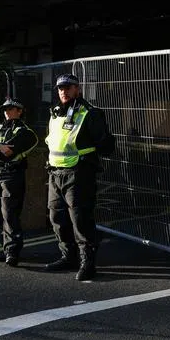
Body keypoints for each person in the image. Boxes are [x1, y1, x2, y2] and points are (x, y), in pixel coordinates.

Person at [42, 73, 115, 280]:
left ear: (77, 89)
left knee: (80, 220)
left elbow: (105, 144)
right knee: (57, 218)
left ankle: (87, 263)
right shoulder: (55, 113)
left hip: (79, 173)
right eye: (60, 88)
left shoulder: (90, 113)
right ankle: (68, 257)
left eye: (68, 87)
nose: (63, 91)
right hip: (55, 173)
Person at [0, 98, 39, 266]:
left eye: (11, 108)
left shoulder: (25, 132)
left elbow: (10, 153)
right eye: (5, 109)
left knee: (9, 214)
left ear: (19, 111)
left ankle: (12, 252)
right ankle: (6, 248)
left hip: (12, 175)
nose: (7, 111)